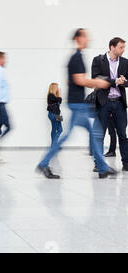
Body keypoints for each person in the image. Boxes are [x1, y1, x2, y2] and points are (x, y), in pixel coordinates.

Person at [37, 28, 116, 179]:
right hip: (78, 105)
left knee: (94, 133)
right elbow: (79, 80)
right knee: (86, 134)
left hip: (77, 103)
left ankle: (102, 168)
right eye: (86, 36)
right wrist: (98, 82)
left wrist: (89, 82)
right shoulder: (77, 57)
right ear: (78, 39)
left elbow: (73, 80)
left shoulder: (76, 57)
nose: (88, 39)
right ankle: (44, 163)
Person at [91, 37, 128, 168]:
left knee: (123, 135)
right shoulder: (98, 60)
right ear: (112, 47)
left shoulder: (125, 62)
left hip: (119, 103)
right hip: (103, 103)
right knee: (99, 134)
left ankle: (126, 163)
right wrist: (114, 82)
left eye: (124, 47)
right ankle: (98, 164)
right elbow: (95, 79)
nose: (123, 50)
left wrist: (124, 81)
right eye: (121, 47)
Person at [46, 83, 63, 147]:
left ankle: (54, 144)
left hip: (57, 114)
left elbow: (59, 101)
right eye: (57, 87)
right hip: (53, 114)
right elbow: (59, 100)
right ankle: (54, 145)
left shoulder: (54, 95)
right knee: (54, 129)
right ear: (53, 88)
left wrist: (58, 94)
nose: (58, 88)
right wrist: (60, 93)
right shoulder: (50, 95)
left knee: (60, 129)